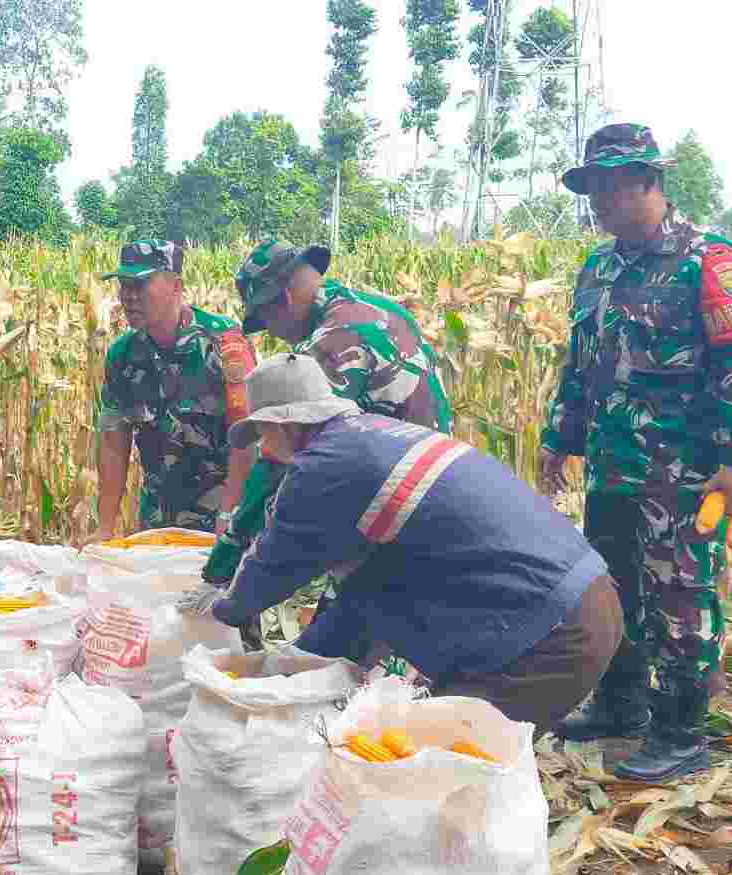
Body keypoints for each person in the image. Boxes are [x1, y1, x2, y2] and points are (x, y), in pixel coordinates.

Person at [195, 353, 620, 731]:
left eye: (263, 435)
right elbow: (359, 608)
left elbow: (271, 565)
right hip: (587, 605)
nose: (265, 451)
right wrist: (295, 664)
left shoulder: (325, 467)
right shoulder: (375, 440)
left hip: (548, 635)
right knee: (436, 760)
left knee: (439, 773)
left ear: (283, 424)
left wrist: (216, 614)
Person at [538, 123, 732, 783]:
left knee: (681, 595)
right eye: (591, 190)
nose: (598, 202)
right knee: (613, 588)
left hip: (685, 470)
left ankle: (680, 730)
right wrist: (561, 436)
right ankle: (621, 704)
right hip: (615, 464)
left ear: (651, 183)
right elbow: (580, 362)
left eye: (610, 187)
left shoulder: (709, 259)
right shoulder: (598, 266)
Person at [201, 239, 455, 648]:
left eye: (266, 321)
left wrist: (226, 562)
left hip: (401, 506)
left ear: (281, 299)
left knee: (340, 651)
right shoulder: (376, 307)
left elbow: (281, 456)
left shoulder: (332, 341)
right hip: (429, 481)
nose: (273, 334)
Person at [87, 239, 257, 545]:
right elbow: (115, 441)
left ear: (176, 286)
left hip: (220, 517)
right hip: (157, 519)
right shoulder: (124, 354)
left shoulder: (225, 344)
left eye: (140, 285)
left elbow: (246, 439)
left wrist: (228, 518)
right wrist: (106, 527)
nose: (129, 297)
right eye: (124, 285)